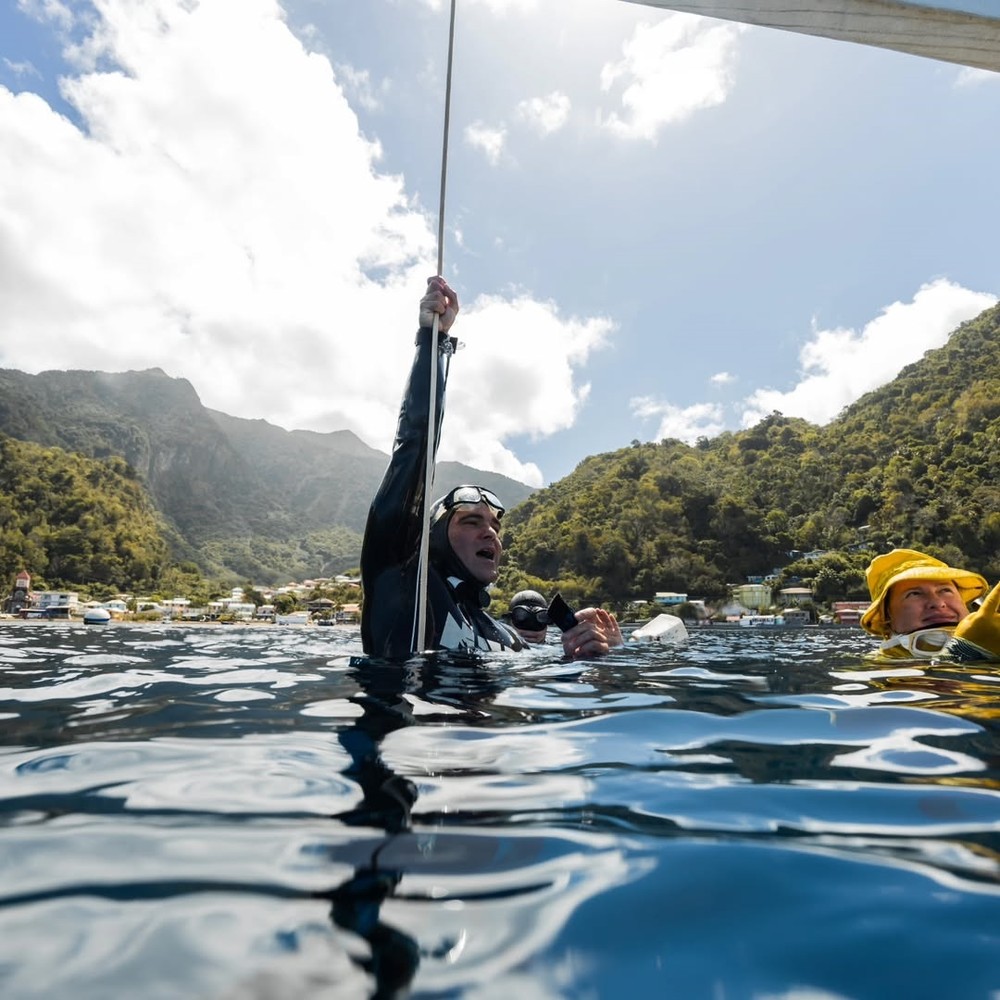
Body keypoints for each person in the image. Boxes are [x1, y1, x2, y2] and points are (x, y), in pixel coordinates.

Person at [361, 276, 621, 661]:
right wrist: (433, 341)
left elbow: (541, 684)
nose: (491, 534)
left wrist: (595, 653)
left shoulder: (503, 635)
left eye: (495, 527)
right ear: (433, 537)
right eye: (470, 522)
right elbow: (414, 445)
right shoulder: (404, 581)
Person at [859, 548, 1000, 661]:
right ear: (886, 618)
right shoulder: (881, 665)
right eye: (914, 594)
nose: (938, 603)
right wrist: (965, 651)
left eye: (945, 590)